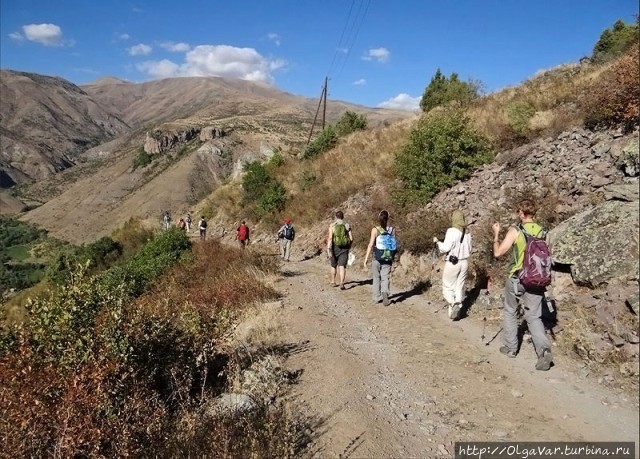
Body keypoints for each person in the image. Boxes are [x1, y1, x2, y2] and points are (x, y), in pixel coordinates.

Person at [492, 199, 553, 371]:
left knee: (510, 311)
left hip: (517, 278)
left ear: (521, 213)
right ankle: (544, 350)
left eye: (518, 212)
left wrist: (496, 234)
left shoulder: (516, 231)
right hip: (537, 280)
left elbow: (498, 253)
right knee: (534, 316)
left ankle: (511, 348)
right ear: (534, 214)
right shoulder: (544, 232)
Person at [433, 210, 472, 320]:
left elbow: (445, 248)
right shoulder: (467, 233)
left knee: (447, 286)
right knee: (459, 286)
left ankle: (453, 303)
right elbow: (470, 249)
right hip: (464, 262)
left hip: (453, 262)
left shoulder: (451, 231)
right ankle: (456, 311)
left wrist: (437, 242)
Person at [363, 210, 396, 306]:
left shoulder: (375, 230)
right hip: (388, 257)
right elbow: (393, 245)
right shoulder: (392, 230)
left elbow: (370, 245)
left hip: (377, 257)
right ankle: (385, 292)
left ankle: (377, 297)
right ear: (388, 218)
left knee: (376, 277)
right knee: (385, 277)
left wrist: (365, 259)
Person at [327, 210, 353, 290]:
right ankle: (342, 283)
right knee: (342, 266)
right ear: (343, 217)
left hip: (334, 247)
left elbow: (330, 238)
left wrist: (328, 248)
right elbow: (351, 238)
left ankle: (333, 281)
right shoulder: (347, 225)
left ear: (336, 217)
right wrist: (349, 246)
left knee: (333, 265)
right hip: (344, 248)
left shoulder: (332, 225)